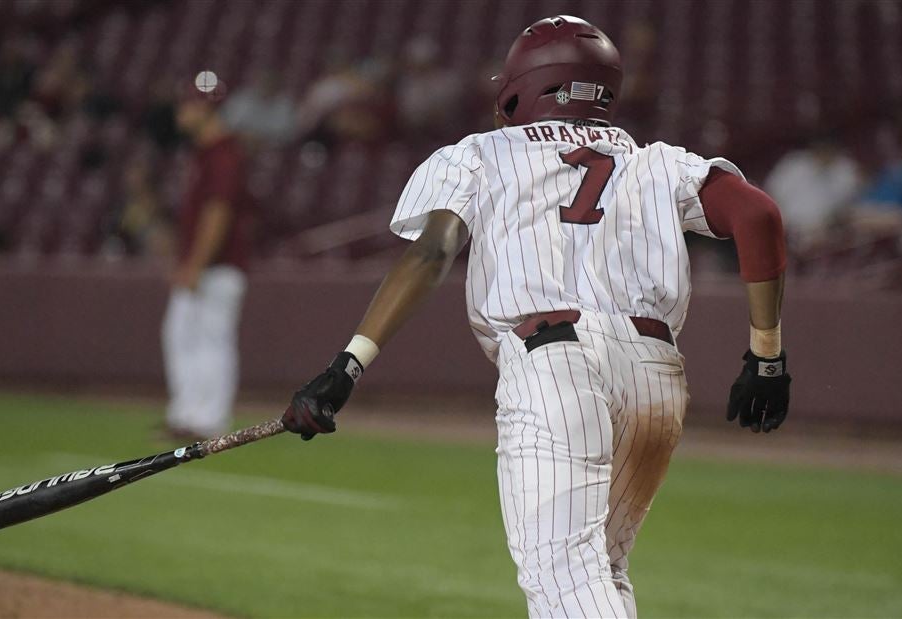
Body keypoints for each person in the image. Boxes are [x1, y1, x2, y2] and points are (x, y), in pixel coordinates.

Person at [280, 16, 791, 618]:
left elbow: (433, 250)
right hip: (654, 371)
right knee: (600, 571)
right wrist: (766, 357)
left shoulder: (481, 153)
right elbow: (758, 217)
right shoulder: (659, 162)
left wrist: (349, 366)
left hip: (553, 364)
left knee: (564, 582)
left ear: (520, 86)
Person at [161, 72, 251, 441]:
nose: (181, 110)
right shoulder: (205, 152)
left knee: (212, 341)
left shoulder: (223, 155)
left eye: (188, 103)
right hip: (206, 267)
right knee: (181, 334)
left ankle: (208, 421)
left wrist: (196, 264)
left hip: (219, 268)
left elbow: (218, 214)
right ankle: (187, 414)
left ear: (205, 107)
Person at [764, 131, 861, 248]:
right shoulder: (794, 165)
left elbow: (848, 205)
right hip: (789, 229)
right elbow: (770, 195)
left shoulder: (845, 170)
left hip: (828, 229)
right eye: (821, 149)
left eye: (828, 149)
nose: (824, 153)